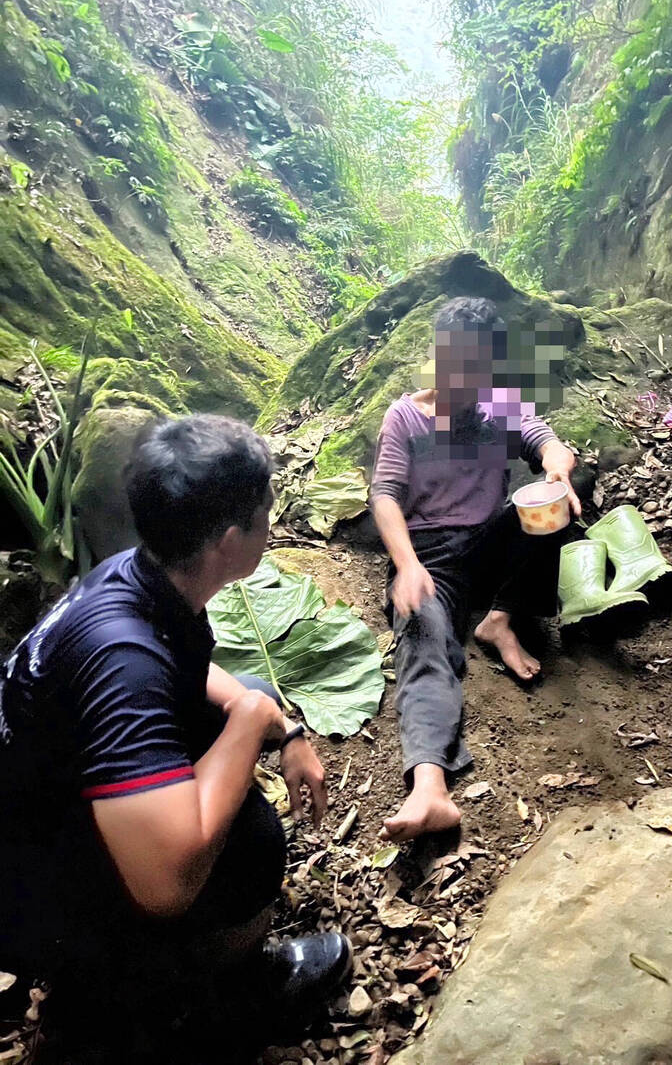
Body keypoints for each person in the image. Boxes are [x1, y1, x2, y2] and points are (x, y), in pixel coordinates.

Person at [0, 415, 350, 1063]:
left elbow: (191, 673)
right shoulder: (123, 661)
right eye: (264, 511)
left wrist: (279, 721)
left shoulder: (137, 575)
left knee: (243, 690)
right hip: (26, 886)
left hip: (41, 798)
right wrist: (250, 723)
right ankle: (194, 1003)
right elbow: (167, 885)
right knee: (251, 843)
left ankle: (117, 972)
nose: (272, 520)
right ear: (228, 540)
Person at [370, 297, 581, 843]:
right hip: (430, 559)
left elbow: (542, 439)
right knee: (423, 633)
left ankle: (501, 619)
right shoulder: (405, 416)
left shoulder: (498, 405)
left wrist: (558, 462)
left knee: (558, 498)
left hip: (487, 546)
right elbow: (386, 497)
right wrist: (407, 566)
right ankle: (428, 786)